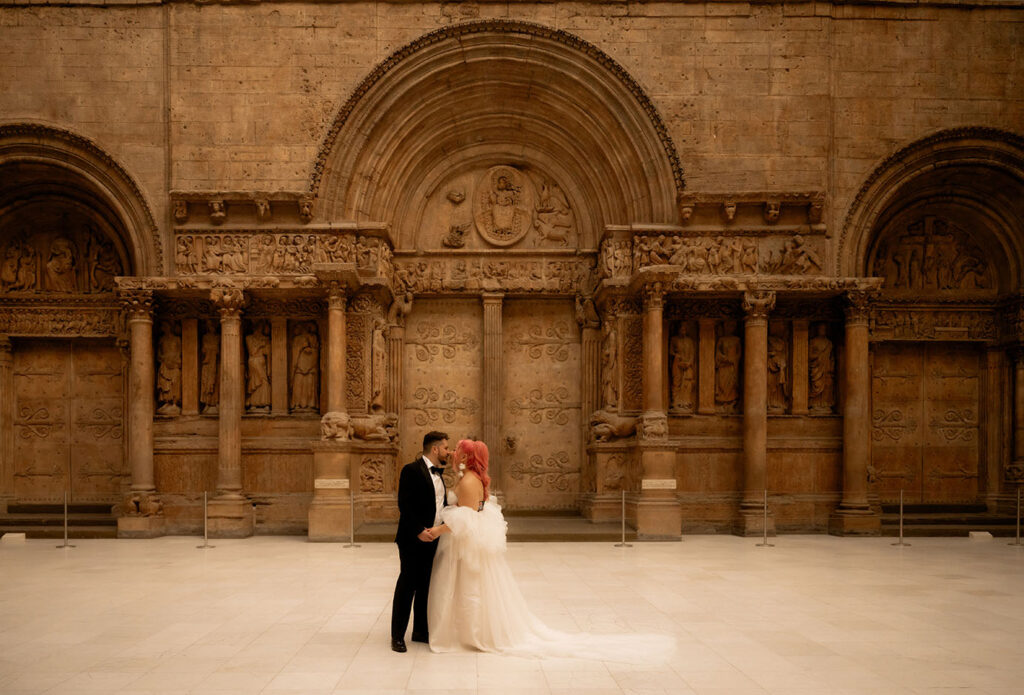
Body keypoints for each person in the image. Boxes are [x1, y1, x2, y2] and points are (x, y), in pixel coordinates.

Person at [425, 439, 672, 662]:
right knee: (472, 587)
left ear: (467, 457)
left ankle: (471, 632)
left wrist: (436, 531)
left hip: (466, 545)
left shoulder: (468, 481)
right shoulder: (471, 478)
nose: (454, 453)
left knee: (470, 588)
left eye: (459, 450)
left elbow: (467, 520)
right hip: (468, 543)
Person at [390, 431, 450, 653]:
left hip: (433, 537)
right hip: (412, 538)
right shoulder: (411, 470)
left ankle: (420, 631)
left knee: (425, 585)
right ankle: (397, 636)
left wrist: (439, 530)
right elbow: (404, 505)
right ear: (435, 449)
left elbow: (439, 505)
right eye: (445, 448)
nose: (448, 452)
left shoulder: (439, 474)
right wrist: (418, 531)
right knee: (407, 585)